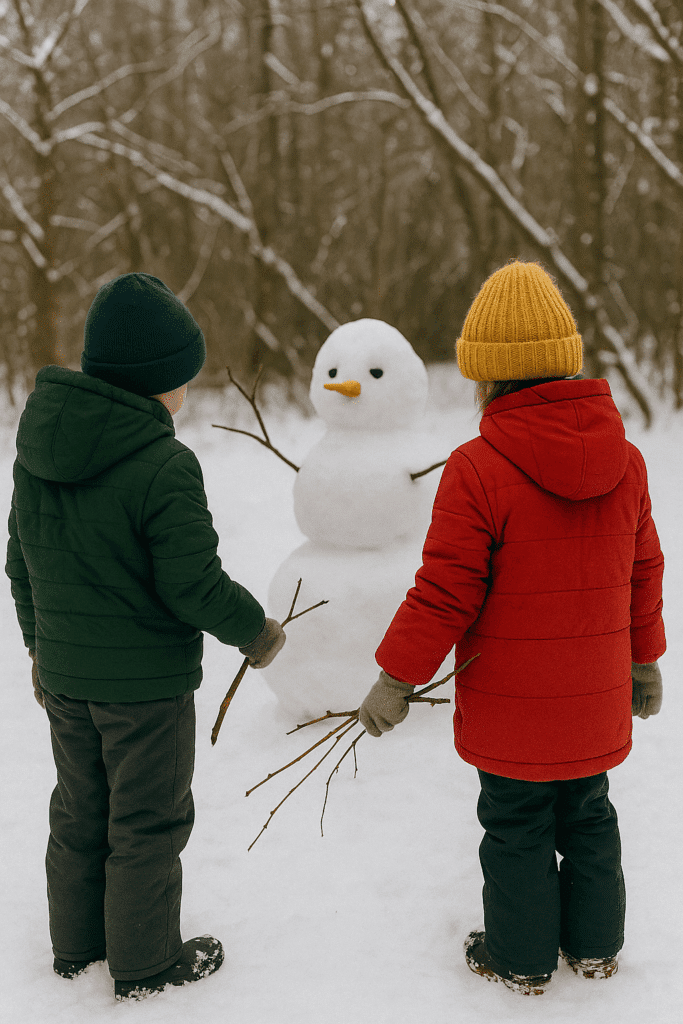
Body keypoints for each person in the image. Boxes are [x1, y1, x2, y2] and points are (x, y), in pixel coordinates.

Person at [359, 260, 665, 996]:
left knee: (516, 826)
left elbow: (444, 592)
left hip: (511, 709)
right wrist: (642, 661)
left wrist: (396, 678)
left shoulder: (476, 467)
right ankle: (593, 948)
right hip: (591, 699)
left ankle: (521, 956)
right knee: (587, 817)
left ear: (485, 377)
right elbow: (642, 571)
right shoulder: (624, 461)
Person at [5, 273, 286, 1001]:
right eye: (181, 379)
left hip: (66, 677)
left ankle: (77, 947)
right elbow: (191, 584)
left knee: (79, 810)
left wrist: (39, 647)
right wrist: (254, 631)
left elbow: (20, 563)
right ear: (158, 382)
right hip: (146, 693)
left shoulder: (37, 450)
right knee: (146, 822)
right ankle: (145, 963)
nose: (185, 393)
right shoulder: (164, 464)